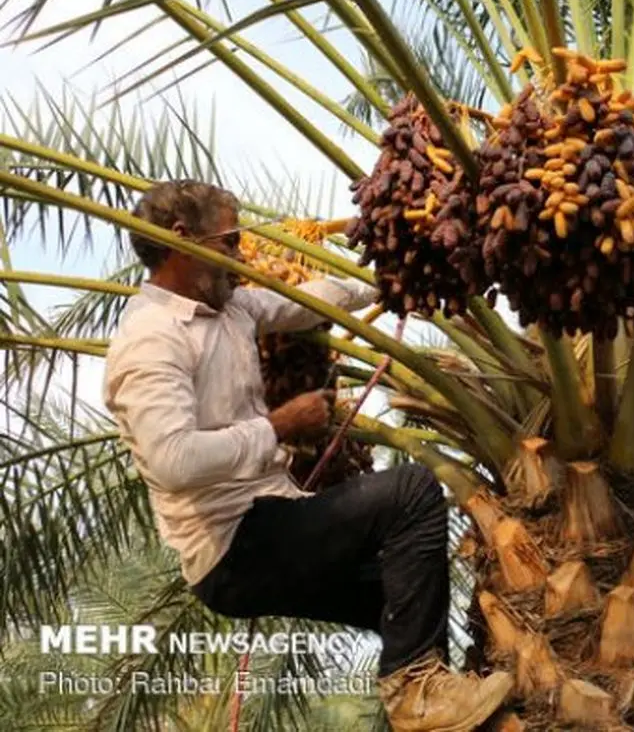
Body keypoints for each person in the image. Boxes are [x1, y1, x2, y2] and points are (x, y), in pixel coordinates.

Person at [103, 180, 513, 731]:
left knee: (404, 597)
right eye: (230, 240)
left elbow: (304, 301)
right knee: (411, 491)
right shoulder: (152, 339)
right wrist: (278, 425)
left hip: (273, 514)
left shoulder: (232, 309)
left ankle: (425, 706)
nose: (240, 253)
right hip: (234, 547)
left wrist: (388, 282)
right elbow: (173, 461)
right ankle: (417, 693)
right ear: (182, 239)